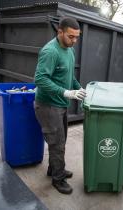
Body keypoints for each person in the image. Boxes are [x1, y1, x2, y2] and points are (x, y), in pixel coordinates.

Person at [34, 17, 86, 194]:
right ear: (60, 32)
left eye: (77, 37)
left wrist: (79, 88)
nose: (74, 41)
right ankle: (58, 179)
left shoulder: (69, 51)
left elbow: (69, 77)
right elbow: (40, 79)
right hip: (48, 106)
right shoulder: (50, 52)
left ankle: (54, 169)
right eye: (71, 37)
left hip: (60, 105)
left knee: (59, 141)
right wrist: (65, 92)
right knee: (57, 144)